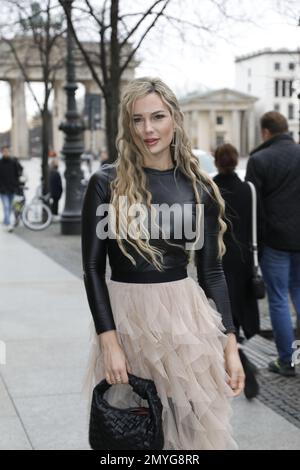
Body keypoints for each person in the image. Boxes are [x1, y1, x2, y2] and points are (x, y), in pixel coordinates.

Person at [81, 77, 244, 450]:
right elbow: (92, 268)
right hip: (128, 321)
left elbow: (212, 272)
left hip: (187, 320)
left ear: (175, 118)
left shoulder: (198, 187)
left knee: (190, 433)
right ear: (128, 126)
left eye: (157, 117)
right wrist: (109, 340)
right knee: (135, 433)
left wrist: (230, 344)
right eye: (137, 120)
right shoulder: (105, 183)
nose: (148, 129)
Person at [246, 111, 300, 377]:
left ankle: (287, 360)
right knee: (299, 295)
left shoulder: (259, 160)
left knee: (278, 299)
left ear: (266, 132)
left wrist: (254, 244)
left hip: (275, 240)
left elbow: (252, 207)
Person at [213, 143, 260, 399]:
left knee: (222, 319)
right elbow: (258, 226)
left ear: (217, 161)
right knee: (236, 319)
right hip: (243, 264)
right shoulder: (248, 190)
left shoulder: (211, 190)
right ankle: (239, 360)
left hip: (218, 262)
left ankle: (239, 363)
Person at [0, 146, 23, 232]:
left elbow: (19, 172)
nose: (6, 153)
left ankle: (7, 221)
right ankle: (8, 223)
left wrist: (17, 183)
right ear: (2, 152)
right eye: (4, 151)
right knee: (6, 206)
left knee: (11, 206)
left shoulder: (14, 162)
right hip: (3, 190)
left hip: (12, 188)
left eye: (7, 151)